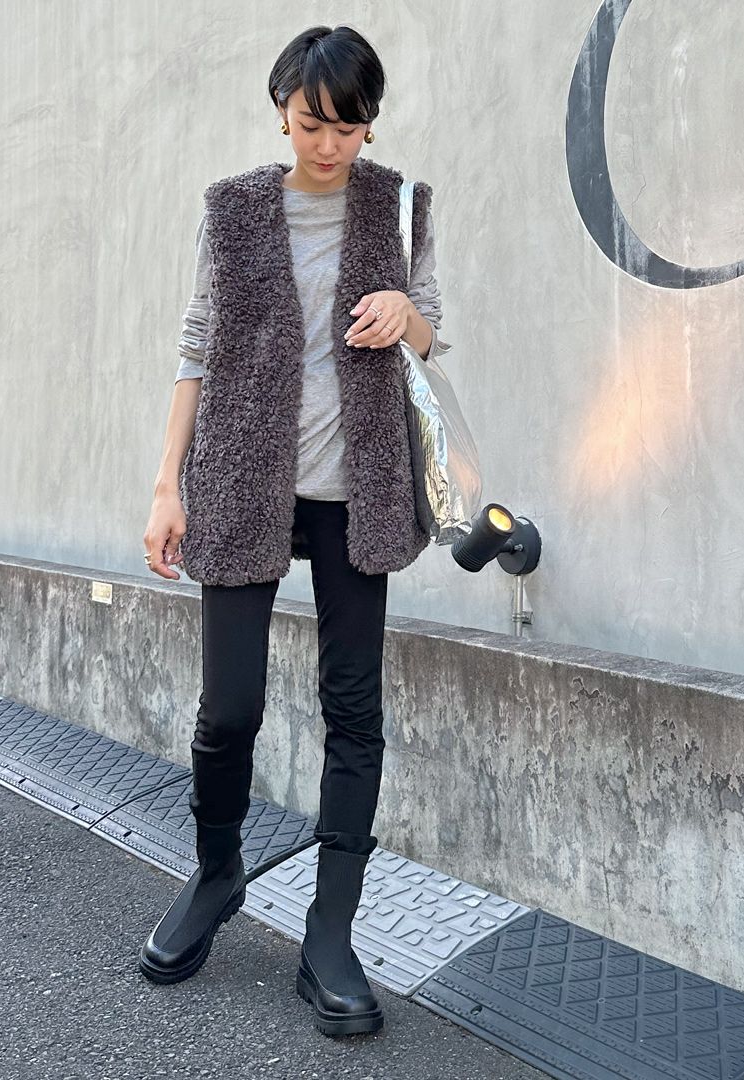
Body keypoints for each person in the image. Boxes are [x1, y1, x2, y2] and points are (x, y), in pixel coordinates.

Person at [138, 24, 451, 1038]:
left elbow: (432, 329)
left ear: (370, 125)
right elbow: (197, 344)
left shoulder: (398, 203)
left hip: (359, 487)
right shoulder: (233, 209)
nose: (329, 145)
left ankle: (330, 934)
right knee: (229, 707)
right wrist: (167, 485)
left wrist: (405, 311)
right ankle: (216, 872)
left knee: (353, 710)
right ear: (282, 108)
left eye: (348, 128)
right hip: (240, 477)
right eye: (313, 123)